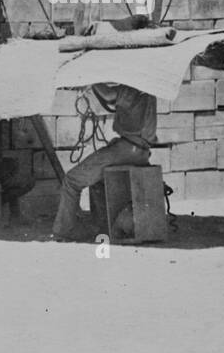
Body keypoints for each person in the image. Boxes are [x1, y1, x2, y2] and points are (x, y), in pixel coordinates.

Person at [51, 82, 157, 241]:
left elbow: (108, 95)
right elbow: (111, 102)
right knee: (98, 182)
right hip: (141, 151)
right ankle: (103, 229)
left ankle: (62, 232)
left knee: (72, 180)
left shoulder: (132, 86)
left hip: (126, 149)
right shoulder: (148, 89)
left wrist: (90, 81)